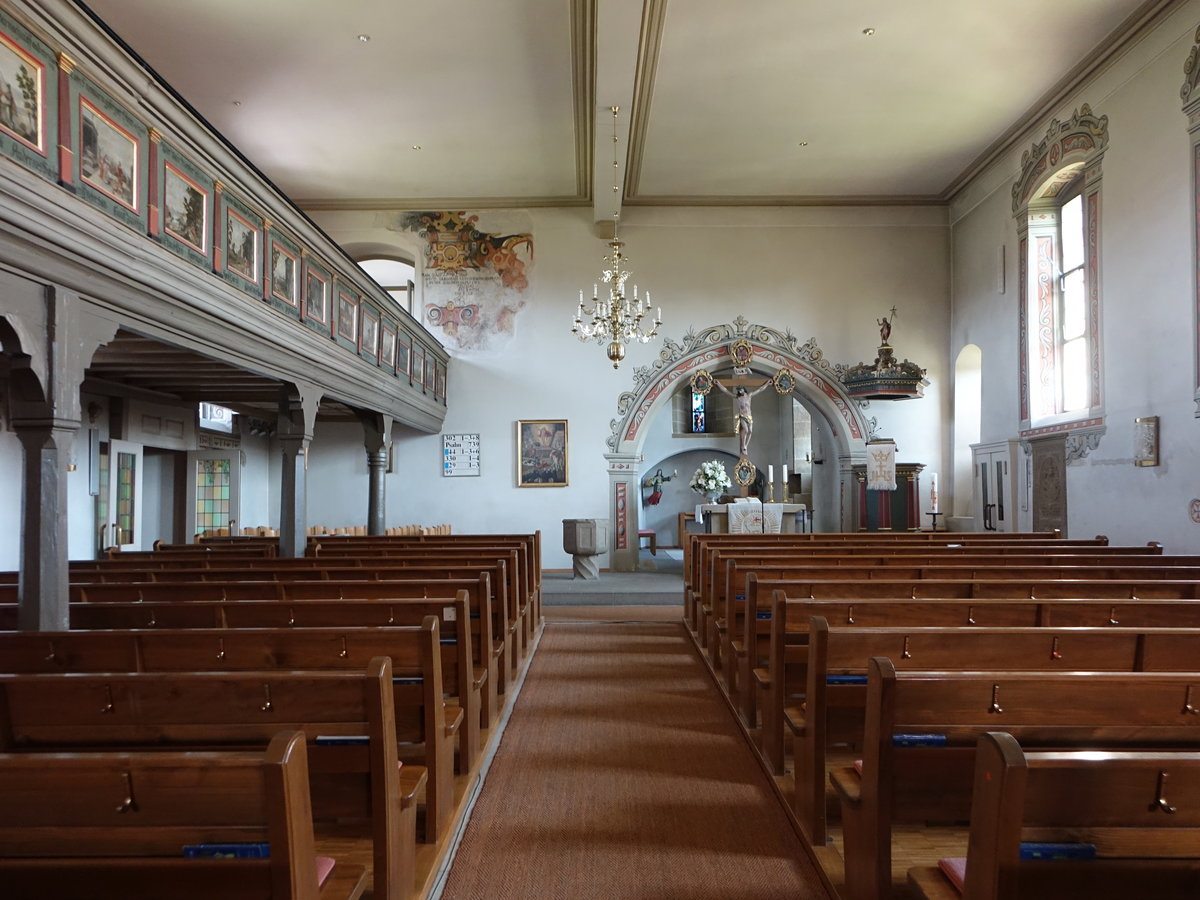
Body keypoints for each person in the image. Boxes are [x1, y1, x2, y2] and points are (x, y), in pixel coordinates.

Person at [714, 379, 771, 459]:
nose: (740, 391)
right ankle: (743, 445)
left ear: (743, 389)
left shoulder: (749, 395)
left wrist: (767, 384)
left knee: (750, 431)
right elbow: (726, 391)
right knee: (746, 430)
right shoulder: (737, 398)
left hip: (749, 416)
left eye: (740, 389)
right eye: (738, 390)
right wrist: (719, 384)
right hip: (743, 417)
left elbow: (759, 390)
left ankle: (746, 446)